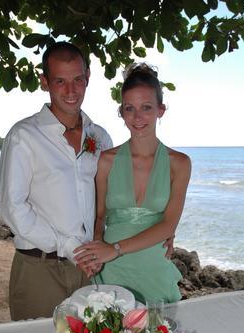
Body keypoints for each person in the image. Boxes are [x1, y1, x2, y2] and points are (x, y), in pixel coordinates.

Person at [0, 41, 113, 320]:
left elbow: (109, 199)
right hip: (39, 268)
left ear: (88, 79)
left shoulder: (100, 137)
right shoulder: (23, 136)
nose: (71, 91)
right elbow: (11, 207)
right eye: (60, 81)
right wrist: (69, 247)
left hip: (89, 269)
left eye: (77, 80)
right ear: (44, 82)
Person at [74, 63, 191, 304]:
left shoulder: (179, 163)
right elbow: (98, 217)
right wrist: (98, 252)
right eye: (130, 108)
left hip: (152, 267)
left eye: (146, 107)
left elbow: (169, 225)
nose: (137, 117)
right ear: (122, 112)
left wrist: (114, 249)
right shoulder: (106, 160)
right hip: (112, 267)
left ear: (161, 110)